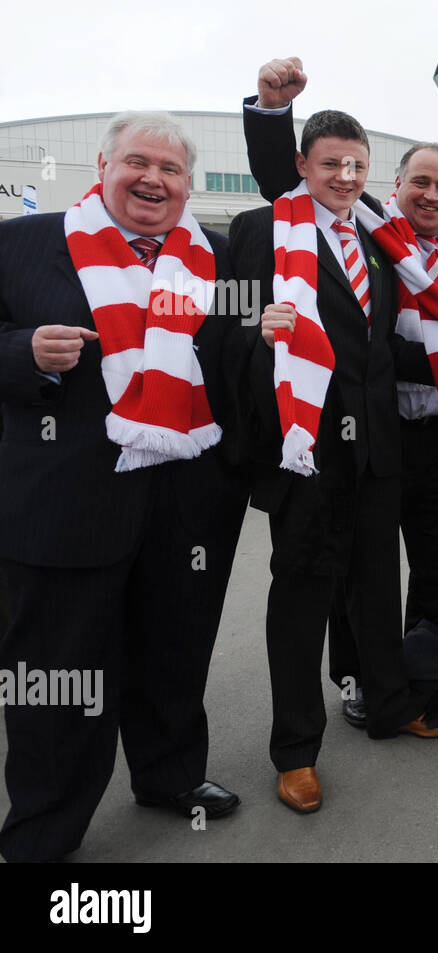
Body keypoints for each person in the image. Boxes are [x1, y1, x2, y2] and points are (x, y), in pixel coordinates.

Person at [0, 111, 249, 860]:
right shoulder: (24, 243)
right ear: (101, 168)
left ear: (188, 185)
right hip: (67, 499)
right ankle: (43, 825)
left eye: (172, 170)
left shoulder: (221, 258)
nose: (154, 179)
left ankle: (170, 775)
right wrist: (23, 354)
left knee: (175, 646)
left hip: (187, 499)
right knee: (58, 668)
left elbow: (243, 364)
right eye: (138, 162)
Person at [229, 105, 438, 816]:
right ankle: (296, 751)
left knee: (376, 586)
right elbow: (231, 326)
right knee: (302, 596)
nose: (345, 175)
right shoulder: (264, 229)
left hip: (377, 449)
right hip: (307, 448)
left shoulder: (379, 240)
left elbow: (381, 351)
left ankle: (392, 705)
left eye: (356, 165)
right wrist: (256, 330)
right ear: (302, 165)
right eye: (330, 162)